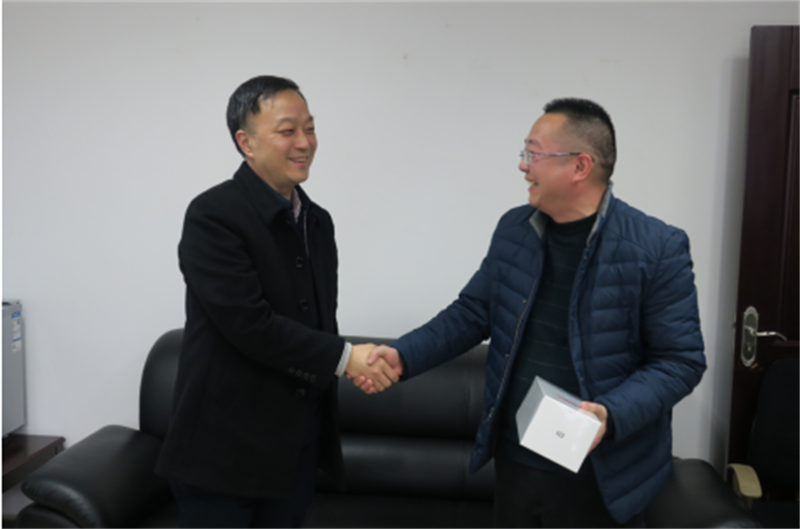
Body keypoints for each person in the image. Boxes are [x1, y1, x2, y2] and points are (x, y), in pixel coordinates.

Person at [356, 98, 706, 528]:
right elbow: (471, 313)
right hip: (516, 458)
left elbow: (680, 362)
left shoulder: (656, 247)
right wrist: (403, 355)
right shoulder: (515, 229)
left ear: (580, 166)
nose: (523, 166)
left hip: (600, 470)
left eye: (533, 153)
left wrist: (609, 414)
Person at [155, 75, 398, 529]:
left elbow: (319, 323)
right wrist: (345, 358)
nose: (304, 143)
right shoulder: (213, 216)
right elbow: (250, 324)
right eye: (288, 131)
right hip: (223, 453)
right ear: (245, 142)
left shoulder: (317, 222)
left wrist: (349, 362)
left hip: (293, 450)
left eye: (310, 128)